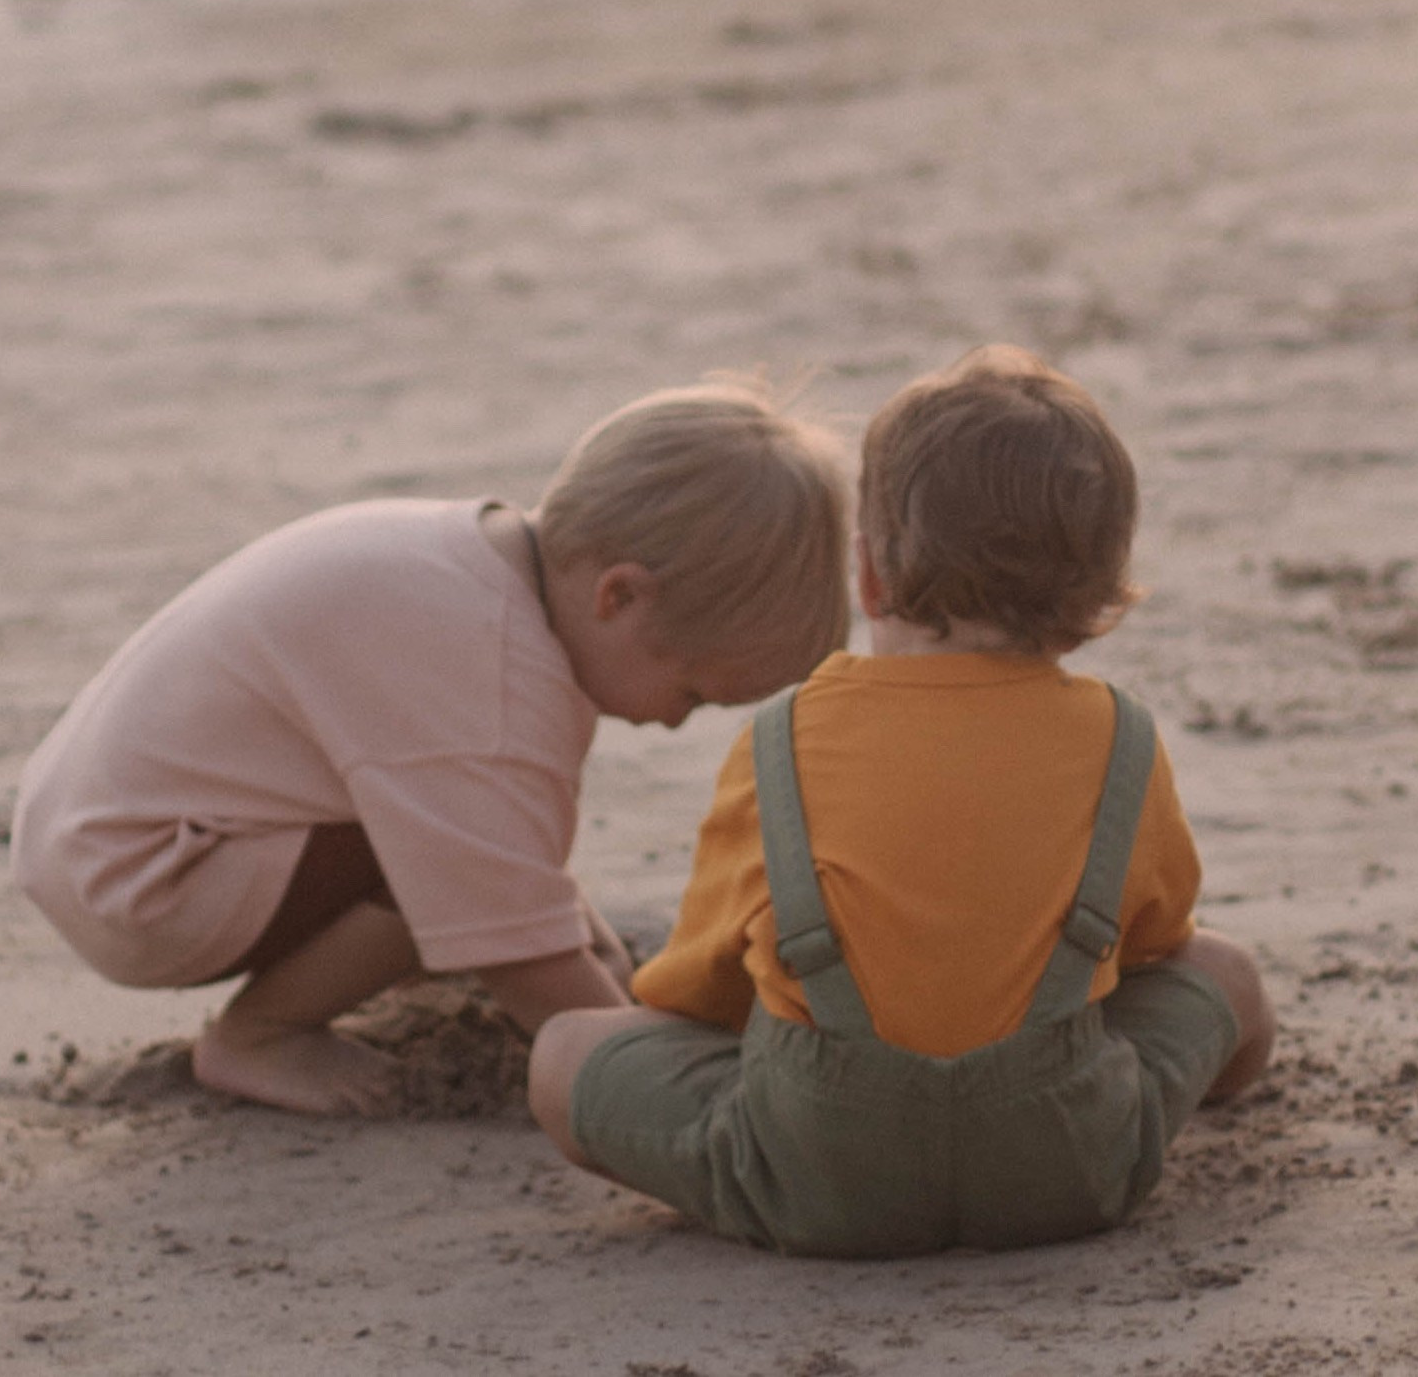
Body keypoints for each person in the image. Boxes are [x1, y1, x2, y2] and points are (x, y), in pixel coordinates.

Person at [529, 346, 1275, 1254]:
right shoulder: (1120, 735)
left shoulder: (784, 737)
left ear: (869, 575)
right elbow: (1158, 936)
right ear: (1097, 590)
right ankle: (1219, 1094)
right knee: (1226, 972)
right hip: (1064, 1171)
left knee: (563, 1052)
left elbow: (701, 986)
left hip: (821, 1180)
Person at [12, 377, 850, 1118]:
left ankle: (320, 983)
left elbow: (518, 862)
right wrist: (652, 1081)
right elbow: (513, 934)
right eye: (691, 691)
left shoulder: (469, 566)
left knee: (459, 843)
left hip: (92, 832)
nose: (674, 722)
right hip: (141, 882)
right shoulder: (489, 678)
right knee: (448, 868)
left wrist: (586, 952)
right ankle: (259, 1035)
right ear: (618, 595)